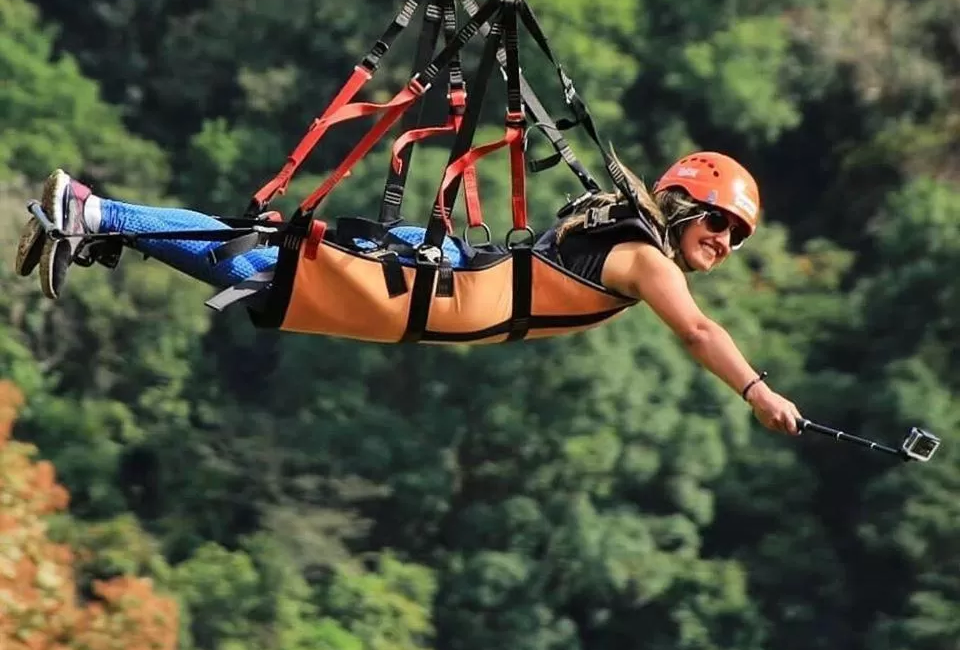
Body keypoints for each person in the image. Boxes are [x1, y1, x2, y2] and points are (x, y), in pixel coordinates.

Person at [14, 153, 802, 435]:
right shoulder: (643, 256)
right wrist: (758, 392)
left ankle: (90, 222)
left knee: (266, 274)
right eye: (719, 225)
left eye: (737, 237)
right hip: (433, 287)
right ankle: (93, 211)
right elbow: (697, 332)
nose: (724, 244)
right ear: (684, 209)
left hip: (441, 281)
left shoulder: (623, 235)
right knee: (265, 266)